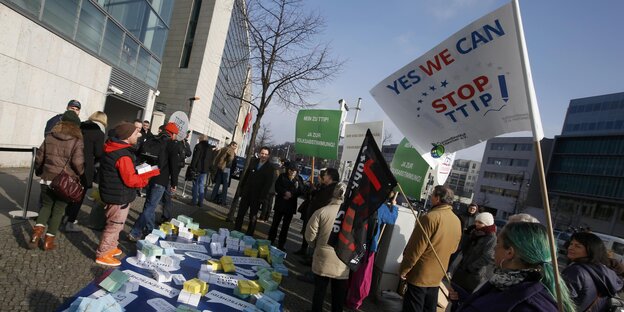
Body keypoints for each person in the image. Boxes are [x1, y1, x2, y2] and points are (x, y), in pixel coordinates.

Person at [451, 222, 576, 312]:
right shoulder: (505, 283)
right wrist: (463, 300)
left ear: (509, 252)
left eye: (498, 243)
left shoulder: (527, 304)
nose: (494, 247)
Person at [95, 122, 160, 266]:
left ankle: (111, 247)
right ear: (127, 136)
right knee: (114, 226)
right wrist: (146, 177)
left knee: (117, 224)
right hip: (119, 196)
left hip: (115, 194)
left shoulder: (114, 149)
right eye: (136, 133)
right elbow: (130, 180)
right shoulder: (123, 154)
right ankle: (103, 253)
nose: (139, 135)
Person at [400, 185, 461, 312]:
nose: (430, 197)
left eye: (432, 194)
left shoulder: (430, 218)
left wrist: (404, 269)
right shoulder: (456, 221)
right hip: (438, 274)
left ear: (437, 198)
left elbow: (415, 249)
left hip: (420, 274)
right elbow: (454, 248)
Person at [29, 111, 84, 250]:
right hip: (64, 182)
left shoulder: (49, 137)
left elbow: (39, 158)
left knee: (46, 207)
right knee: (58, 210)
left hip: (47, 178)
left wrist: (40, 171)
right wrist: (81, 173)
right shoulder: (77, 140)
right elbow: (78, 163)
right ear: (76, 126)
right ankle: (48, 242)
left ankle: (35, 235)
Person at [128, 122, 180, 241]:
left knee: (148, 205)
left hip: (148, 175)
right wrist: (174, 184)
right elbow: (174, 166)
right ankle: (135, 232)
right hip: (160, 179)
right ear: (172, 134)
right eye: (176, 134)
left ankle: (150, 230)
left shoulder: (153, 139)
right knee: (151, 207)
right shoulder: (172, 144)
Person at [305, 182, 349, 312]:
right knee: (338, 294)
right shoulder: (352, 215)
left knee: (320, 290)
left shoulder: (322, 211)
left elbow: (310, 234)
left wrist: (315, 246)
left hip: (323, 254)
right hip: (343, 257)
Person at [63, 111, 108, 232]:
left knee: (66, 190)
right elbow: (98, 153)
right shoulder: (98, 133)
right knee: (79, 195)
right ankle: (69, 221)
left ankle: (63, 216)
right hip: (85, 166)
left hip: (69, 163)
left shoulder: (79, 126)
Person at [562, 232, 623, 311]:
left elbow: (560, 301)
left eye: (578, 246)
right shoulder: (604, 272)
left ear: (590, 250)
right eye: (571, 244)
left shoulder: (576, 271)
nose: (570, 248)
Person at [295, 168, 339, 256]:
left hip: (320, 216)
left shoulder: (333, 189)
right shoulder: (326, 187)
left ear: (330, 177)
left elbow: (323, 201)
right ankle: (307, 254)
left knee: (316, 238)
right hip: (313, 213)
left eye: (325, 174)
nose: (324, 177)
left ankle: (311, 258)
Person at [451, 212, 497, 295]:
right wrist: (467, 234)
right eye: (476, 221)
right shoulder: (474, 232)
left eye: (480, 223)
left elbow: (487, 256)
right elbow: (463, 247)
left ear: (487, 224)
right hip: (462, 269)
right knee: (452, 294)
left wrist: (471, 267)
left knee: (463, 297)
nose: (476, 224)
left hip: (473, 274)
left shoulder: (491, 238)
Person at [234, 146, 275, 236]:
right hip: (247, 193)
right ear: (259, 153)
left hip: (257, 196)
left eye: (265, 154)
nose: (263, 155)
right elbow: (246, 176)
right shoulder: (253, 162)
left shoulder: (270, 168)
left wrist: (262, 197)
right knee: (240, 213)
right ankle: (236, 231)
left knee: (253, 216)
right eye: (262, 153)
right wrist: (241, 189)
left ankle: (249, 234)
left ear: (268, 156)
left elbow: (268, 185)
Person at [268, 162, 304, 250]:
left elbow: (301, 190)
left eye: (294, 171)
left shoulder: (299, 179)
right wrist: (285, 192)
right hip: (280, 203)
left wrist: (292, 194)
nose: (292, 172)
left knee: (285, 226)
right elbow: (277, 186)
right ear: (288, 170)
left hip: (290, 206)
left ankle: (281, 244)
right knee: (275, 223)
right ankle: (270, 240)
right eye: (291, 170)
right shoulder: (282, 176)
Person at [188, 135, 216, 207]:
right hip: (205, 169)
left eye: (199, 138)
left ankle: (194, 201)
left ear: (201, 139)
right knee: (201, 185)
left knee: (195, 184)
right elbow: (211, 159)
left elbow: (195, 157)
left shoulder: (199, 146)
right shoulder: (210, 148)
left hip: (197, 168)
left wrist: (192, 167)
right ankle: (200, 202)